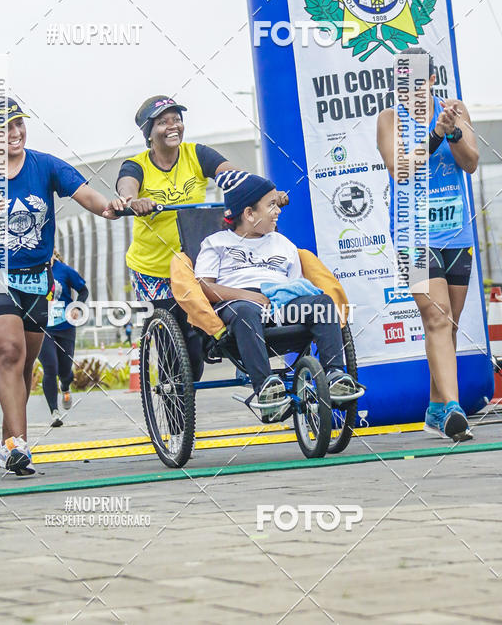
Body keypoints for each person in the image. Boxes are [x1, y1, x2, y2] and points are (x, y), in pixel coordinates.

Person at [0, 97, 124, 475]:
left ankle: (8, 443)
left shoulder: (46, 165)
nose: (14, 133)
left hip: (37, 279)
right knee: (9, 351)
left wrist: (109, 207)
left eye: (18, 125)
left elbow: (86, 194)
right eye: (5, 128)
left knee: (23, 366)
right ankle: (19, 446)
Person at [112, 95, 288, 381]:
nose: (173, 126)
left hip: (195, 261)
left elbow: (234, 177)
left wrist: (266, 196)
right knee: (179, 350)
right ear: (148, 132)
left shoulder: (197, 154)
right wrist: (134, 201)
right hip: (154, 270)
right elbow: (126, 186)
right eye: (163, 122)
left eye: (177, 119)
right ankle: (175, 396)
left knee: (203, 338)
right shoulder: (137, 165)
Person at [194, 170, 357, 421]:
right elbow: (205, 285)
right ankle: (265, 389)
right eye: (270, 205)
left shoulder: (282, 243)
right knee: (246, 311)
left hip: (281, 305)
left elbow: (294, 285)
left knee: (323, 303)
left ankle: (334, 374)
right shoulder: (216, 243)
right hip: (238, 306)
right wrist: (246, 296)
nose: (277, 210)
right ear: (249, 213)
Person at [377, 49, 479, 442]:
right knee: (436, 318)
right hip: (412, 237)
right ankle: (453, 410)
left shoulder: (455, 109)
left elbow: (470, 163)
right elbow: (398, 169)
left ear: (431, 81)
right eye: (403, 85)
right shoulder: (389, 120)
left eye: (418, 83)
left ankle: (436, 408)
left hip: (456, 233)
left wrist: (453, 130)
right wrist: (435, 133)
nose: (411, 91)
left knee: (447, 325)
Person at [40, 249, 88, 427]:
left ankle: (65, 385)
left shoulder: (65, 271)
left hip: (66, 327)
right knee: (50, 367)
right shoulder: (34, 270)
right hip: (43, 328)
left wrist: (77, 307)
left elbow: (83, 290)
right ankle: (54, 412)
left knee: (65, 371)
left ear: (53, 254)